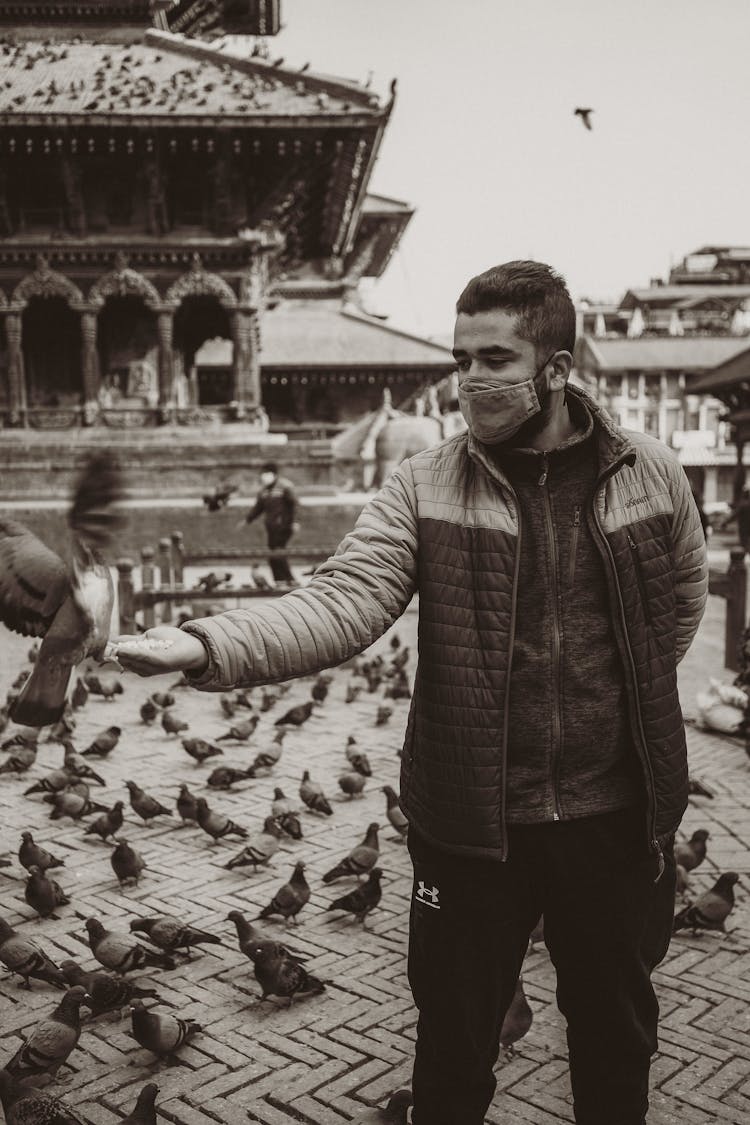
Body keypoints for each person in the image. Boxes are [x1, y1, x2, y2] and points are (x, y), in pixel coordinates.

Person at [113, 260, 708, 1125]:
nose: (471, 380)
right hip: (470, 827)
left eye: (496, 359)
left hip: (614, 820)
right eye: (462, 358)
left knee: (616, 1042)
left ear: (557, 367)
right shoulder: (427, 481)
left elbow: (678, 612)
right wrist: (206, 641)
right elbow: (343, 599)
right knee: (453, 1051)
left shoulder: (651, 475)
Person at [235, 462, 300, 586]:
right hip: (271, 528)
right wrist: (247, 520)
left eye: (267, 473)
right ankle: (280, 580)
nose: (264, 476)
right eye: (263, 474)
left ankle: (289, 580)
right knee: (273, 554)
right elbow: (258, 508)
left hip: (284, 526)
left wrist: (295, 522)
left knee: (278, 552)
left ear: (274, 474)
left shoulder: (284, 487)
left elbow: (294, 505)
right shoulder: (264, 491)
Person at [717, 485, 750, 553]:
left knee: (744, 544)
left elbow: (734, 515)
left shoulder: (743, 505)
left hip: (744, 528)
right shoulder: (745, 504)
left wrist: (725, 522)